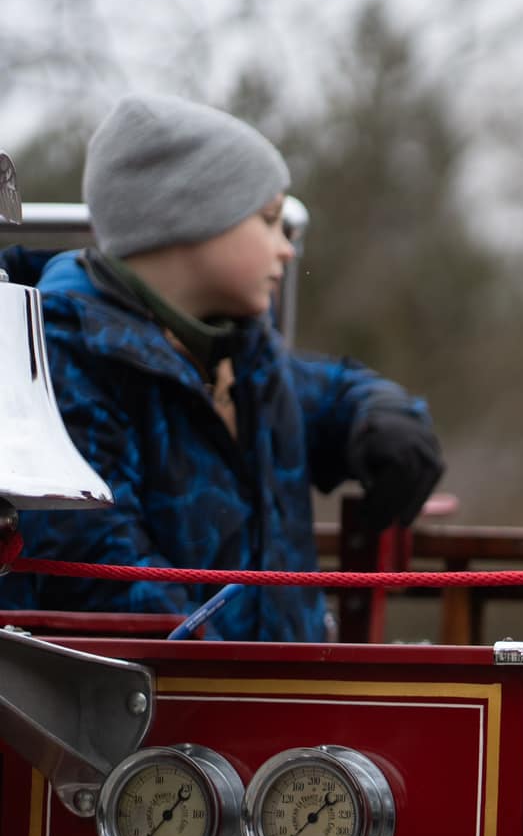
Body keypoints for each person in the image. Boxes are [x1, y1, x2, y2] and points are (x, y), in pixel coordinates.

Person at [0, 94, 443, 640]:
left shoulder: (241, 352)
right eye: (270, 220)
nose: (287, 249)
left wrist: (382, 417)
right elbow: (105, 575)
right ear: (189, 220)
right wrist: (238, 677)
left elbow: (325, 390)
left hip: (281, 699)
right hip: (172, 707)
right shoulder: (62, 367)